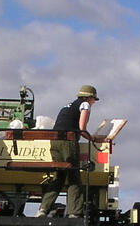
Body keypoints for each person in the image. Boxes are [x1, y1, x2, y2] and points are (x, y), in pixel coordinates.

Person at [39, 85, 99, 218]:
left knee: (58, 176)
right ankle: (74, 212)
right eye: (94, 100)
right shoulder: (84, 105)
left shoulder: (67, 106)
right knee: (74, 176)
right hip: (67, 141)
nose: (94, 102)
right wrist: (93, 139)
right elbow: (82, 128)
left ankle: (43, 209)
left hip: (54, 141)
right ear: (89, 97)